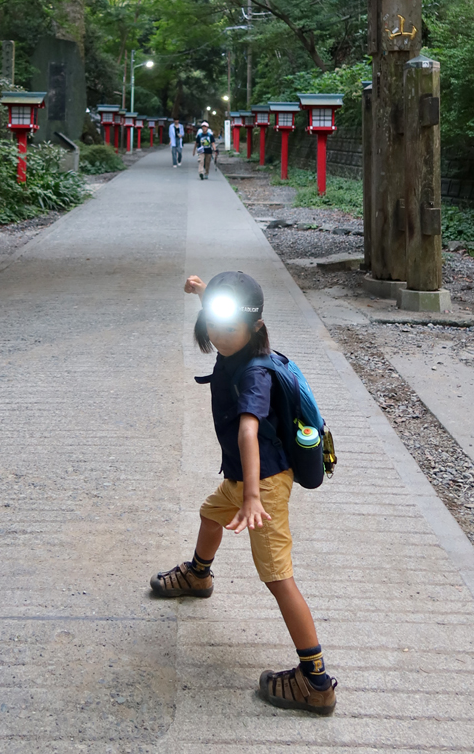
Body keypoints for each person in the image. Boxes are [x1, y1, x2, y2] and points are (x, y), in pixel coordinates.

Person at [150, 271, 337, 715]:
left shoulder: (256, 375)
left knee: (278, 578)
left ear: (255, 328)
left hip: (264, 485)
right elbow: (222, 316)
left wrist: (252, 496)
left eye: (228, 328)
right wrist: (202, 293)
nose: (217, 335)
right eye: (213, 324)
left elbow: (249, 432)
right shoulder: (237, 341)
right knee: (209, 513)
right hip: (244, 480)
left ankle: (316, 681)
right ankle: (199, 575)